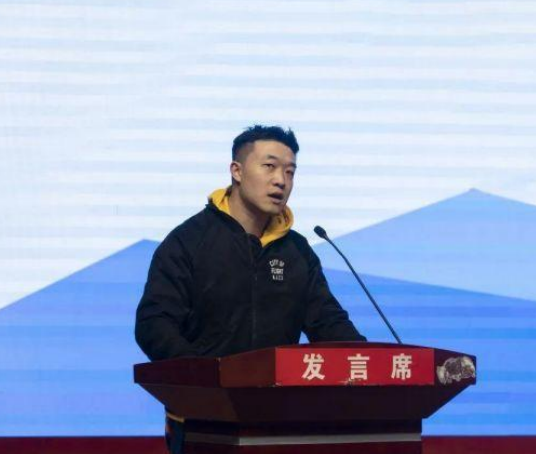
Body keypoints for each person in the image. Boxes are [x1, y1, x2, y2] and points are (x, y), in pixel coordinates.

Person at [134, 125, 365, 453]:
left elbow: (328, 323)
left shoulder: (297, 252)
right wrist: (207, 378)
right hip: (201, 420)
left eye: (290, 171)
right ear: (237, 171)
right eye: (269, 166)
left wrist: (369, 363)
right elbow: (154, 324)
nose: (281, 180)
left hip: (279, 418)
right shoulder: (189, 241)